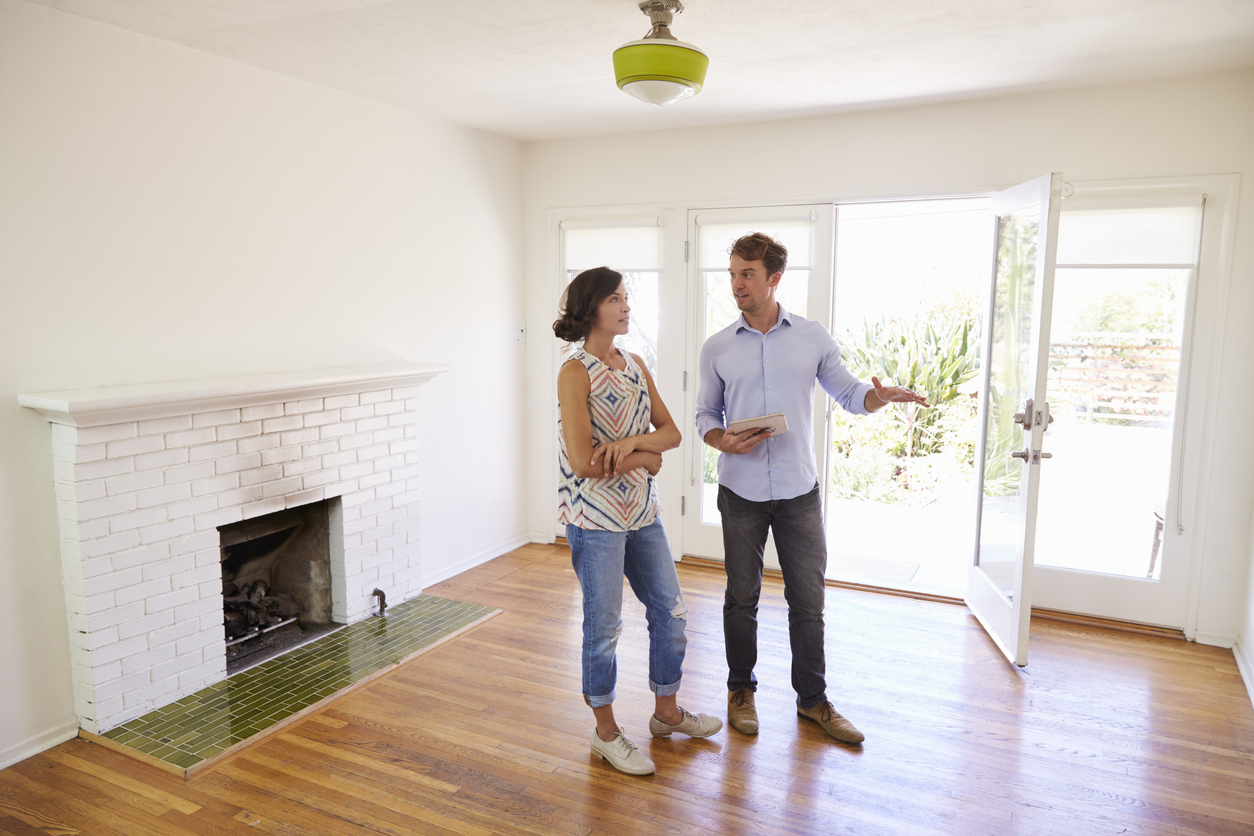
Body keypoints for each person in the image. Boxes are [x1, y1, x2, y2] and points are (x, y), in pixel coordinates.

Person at [696, 233, 930, 745]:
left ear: (774, 278)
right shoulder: (717, 347)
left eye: (747, 274)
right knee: (741, 598)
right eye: (733, 274)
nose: (737, 283)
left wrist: (878, 397)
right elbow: (705, 416)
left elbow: (849, 393)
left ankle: (813, 701)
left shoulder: (811, 336)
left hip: (798, 490)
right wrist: (721, 440)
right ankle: (740, 692)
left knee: (808, 601)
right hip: (740, 491)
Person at [554, 266, 722, 776]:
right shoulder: (574, 371)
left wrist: (630, 444)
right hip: (594, 520)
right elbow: (582, 461)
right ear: (591, 308)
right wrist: (645, 458)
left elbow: (672, 432)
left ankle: (666, 713)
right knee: (604, 627)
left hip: (642, 514)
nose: (626, 306)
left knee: (671, 613)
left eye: (626, 297)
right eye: (615, 299)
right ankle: (605, 733)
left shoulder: (635, 364)